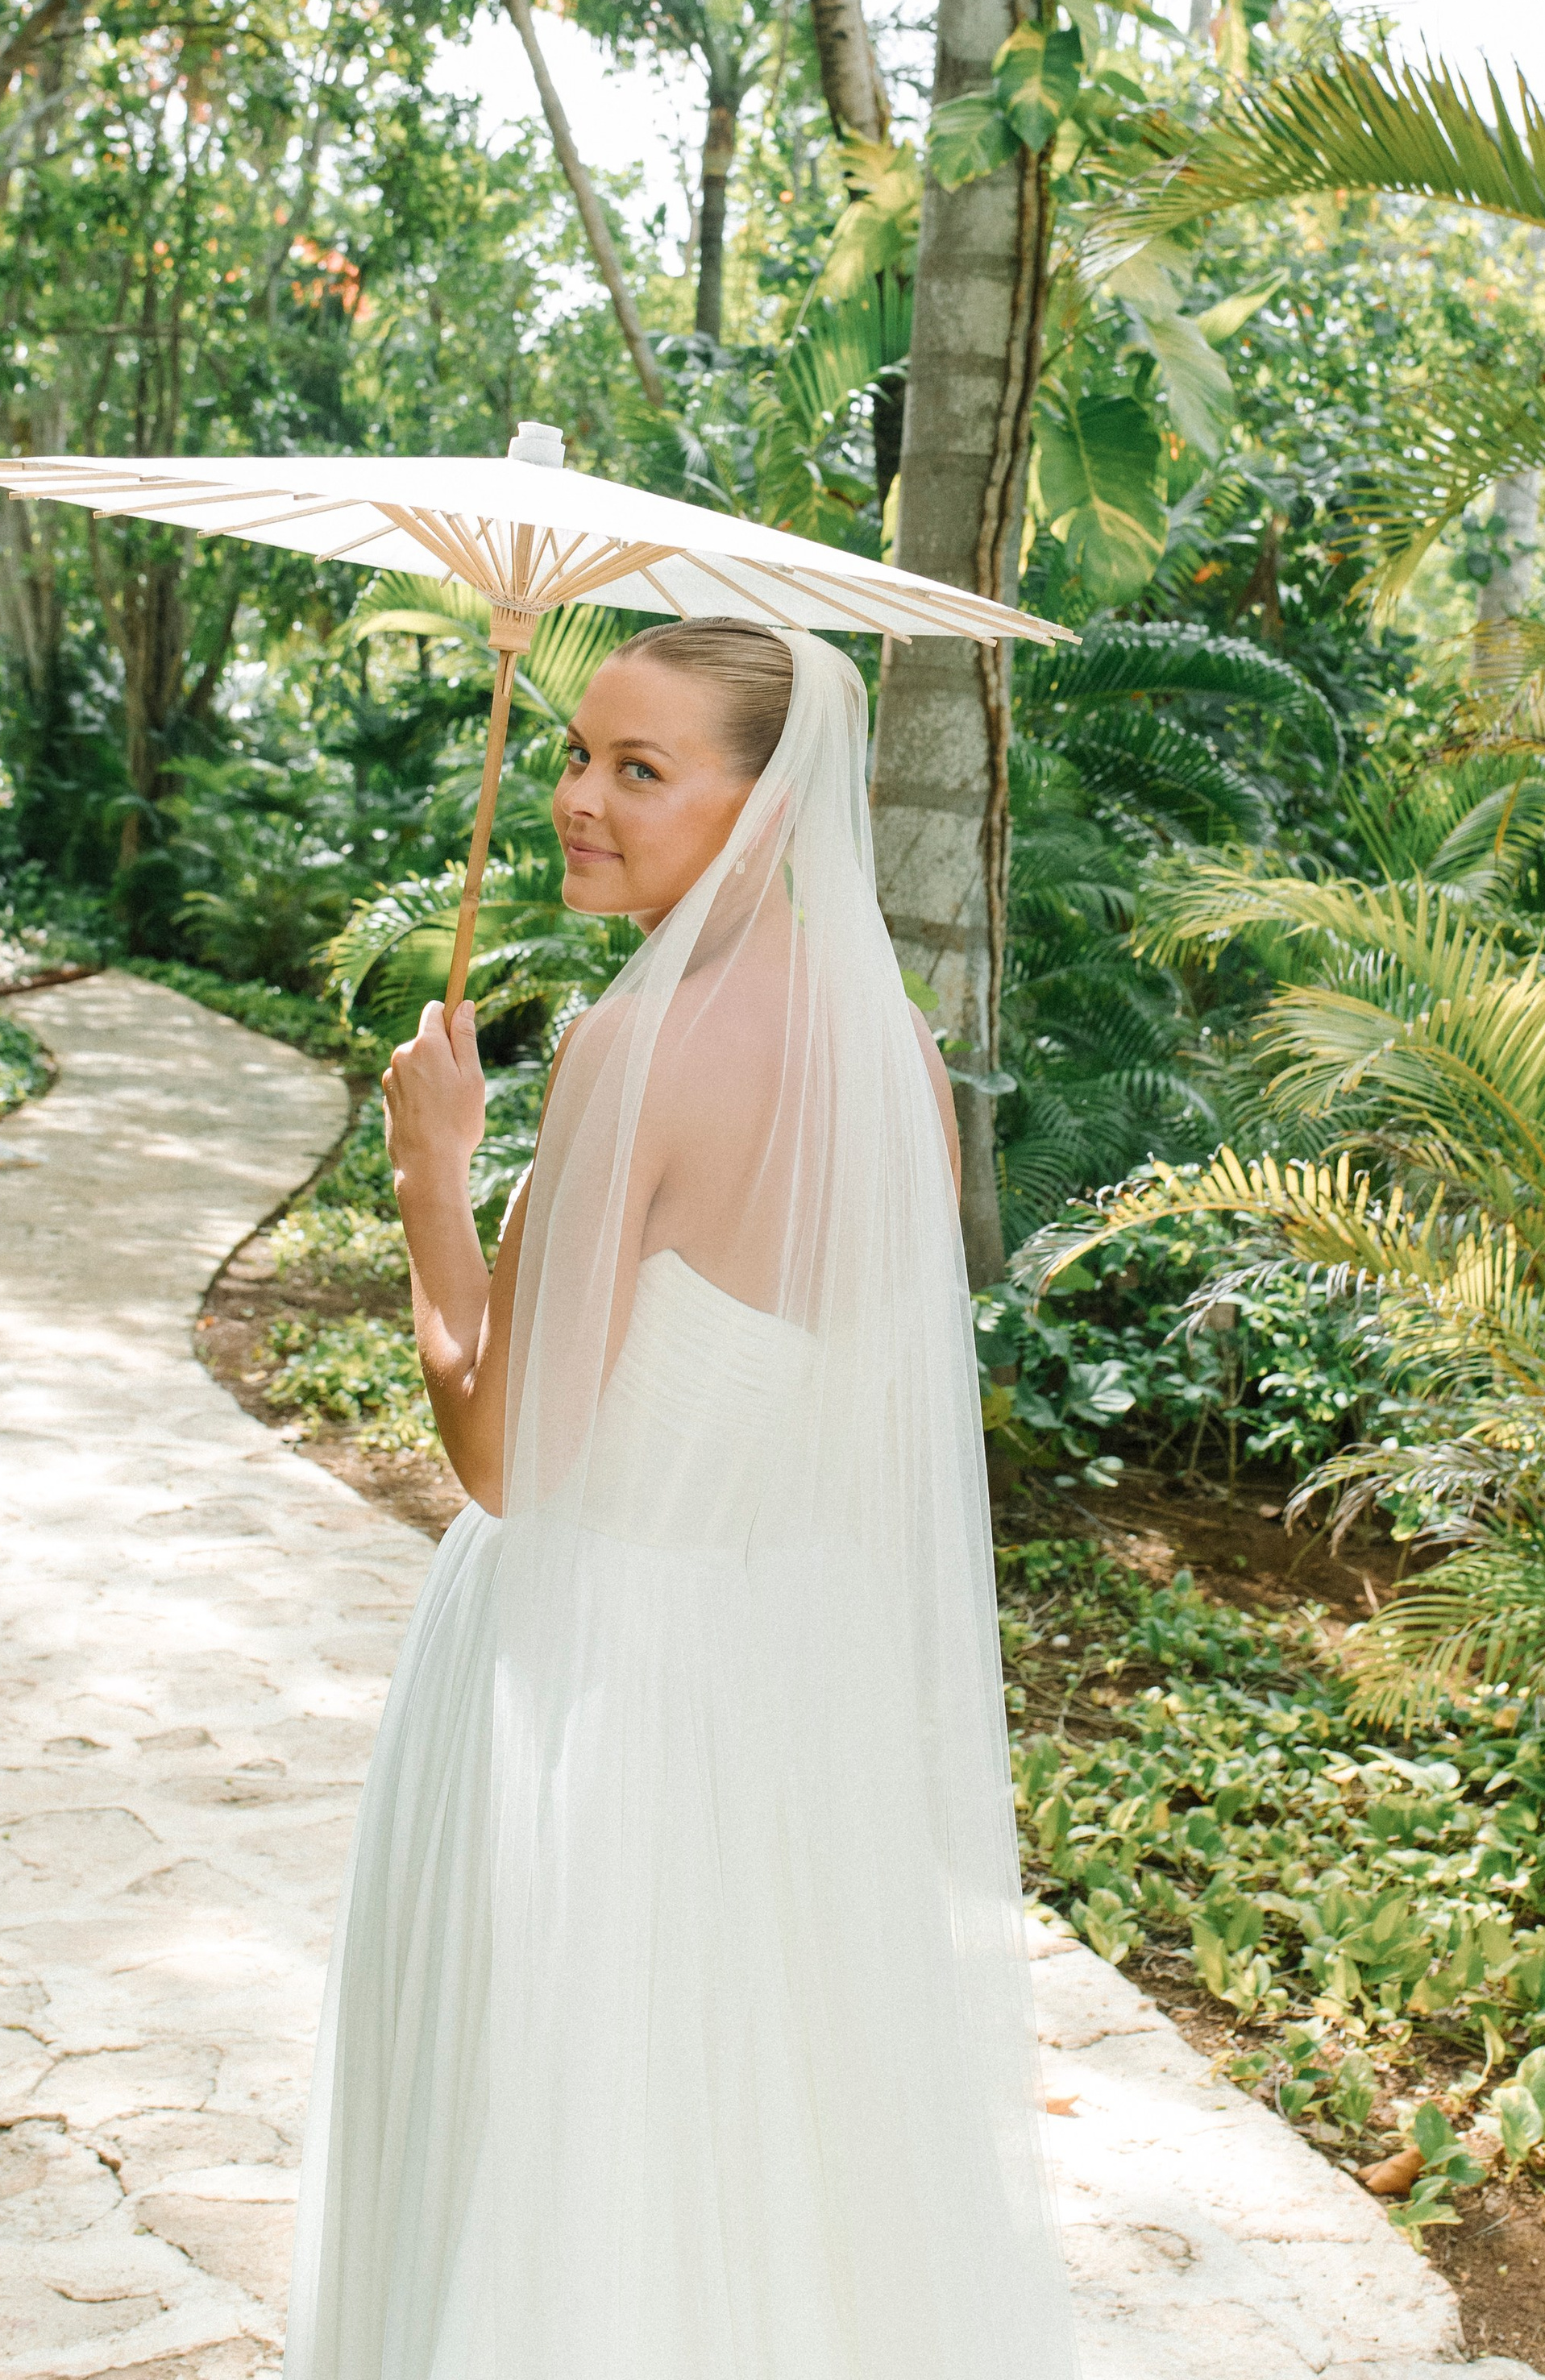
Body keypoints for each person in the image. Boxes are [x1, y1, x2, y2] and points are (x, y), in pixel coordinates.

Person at [282, 618, 1080, 2380]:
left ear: (768, 809)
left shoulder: (631, 1050)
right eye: (575, 753)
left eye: (640, 770)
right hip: (769, 1677)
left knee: (545, 2145)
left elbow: (505, 1459)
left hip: (583, 1677)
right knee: (739, 2147)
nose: (575, 798)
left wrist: (433, 1186)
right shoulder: (897, 1066)